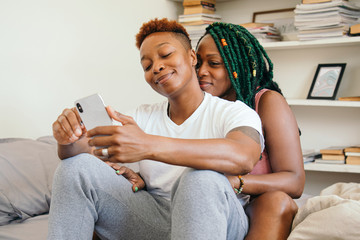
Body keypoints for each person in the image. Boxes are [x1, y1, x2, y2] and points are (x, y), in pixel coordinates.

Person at [47, 18, 264, 240]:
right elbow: (82, 151)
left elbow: (243, 156)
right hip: (155, 217)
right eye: (147, 66)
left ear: (192, 57)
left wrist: (148, 145)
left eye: (166, 55)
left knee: (200, 178)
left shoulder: (233, 112)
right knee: (75, 168)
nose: (157, 67)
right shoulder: (142, 115)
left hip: (217, 218)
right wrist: (68, 138)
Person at [195, 22, 305, 240]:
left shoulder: (266, 102)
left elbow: (295, 181)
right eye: (197, 63)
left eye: (214, 63)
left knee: (277, 200)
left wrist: (235, 182)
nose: (201, 71)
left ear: (240, 65)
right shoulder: (198, 105)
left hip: (259, 205)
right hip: (212, 203)